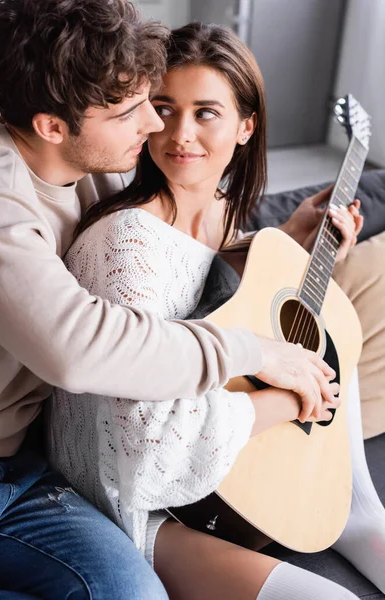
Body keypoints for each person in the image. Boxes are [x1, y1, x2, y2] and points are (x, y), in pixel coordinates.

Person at [0, 2, 334, 598]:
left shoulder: (93, 158)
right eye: (132, 111)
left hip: (22, 469)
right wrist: (252, 353)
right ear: (50, 125)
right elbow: (80, 347)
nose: (156, 126)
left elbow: (187, 235)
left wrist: (290, 243)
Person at [49, 23, 384, 600]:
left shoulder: (227, 217)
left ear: (246, 126)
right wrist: (288, 399)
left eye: (206, 112)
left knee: (332, 328)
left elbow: (221, 297)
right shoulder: (128, 243)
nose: (180, 134)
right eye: (163, 107)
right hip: (141, 505)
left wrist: (291, 238)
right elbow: (145, 452)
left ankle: (356, 509)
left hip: (235, 468)